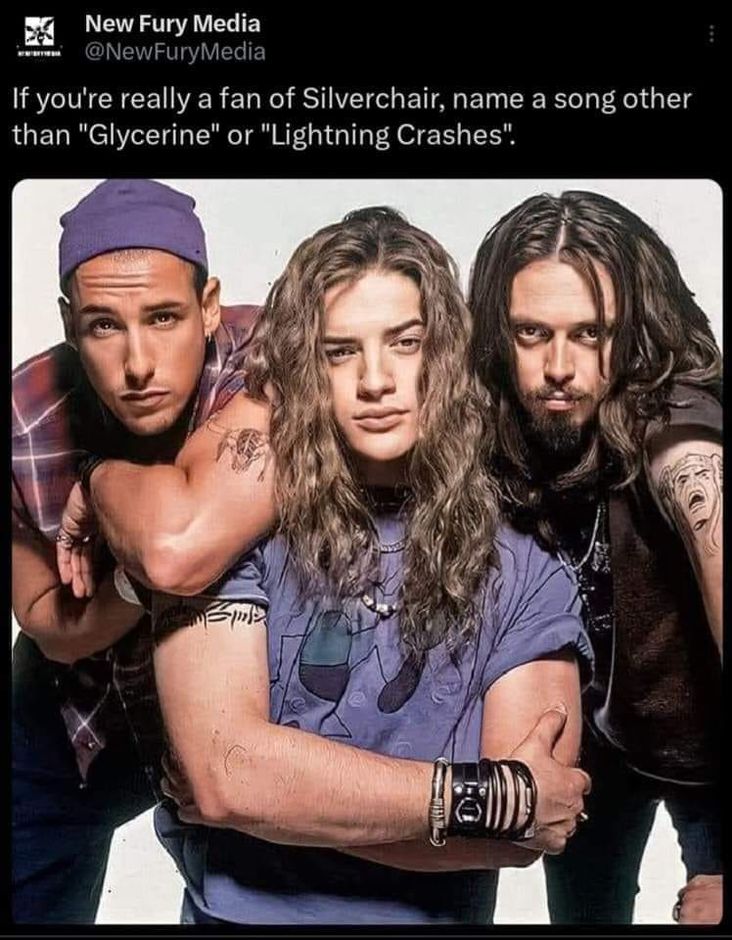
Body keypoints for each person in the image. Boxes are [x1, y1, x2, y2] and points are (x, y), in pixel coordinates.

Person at [151, 206, 594, 926]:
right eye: (340, 351)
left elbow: (526, 830)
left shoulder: (527, 566)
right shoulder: (237, 536)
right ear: (304, 367)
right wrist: (470, 801)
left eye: (404, 342)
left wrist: (273, 805)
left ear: (443, 355)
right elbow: (225, 776)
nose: (376, 379)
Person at [11, 178, 275, 924]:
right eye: (103, 326)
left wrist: (102, 493)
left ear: (210, 304)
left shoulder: (278, 358)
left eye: (163, 317)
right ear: (69, 323)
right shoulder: (23, 418)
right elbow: (48, 622)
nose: (138, 363)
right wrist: (131, 583)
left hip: (248, 701)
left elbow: (179, 547)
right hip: (82, 716)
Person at [468, 190, 722, 925]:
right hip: (588, 748)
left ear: (635, 330)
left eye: (590, 333)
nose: (557, 366)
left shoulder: (678, 423)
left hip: (705, 750)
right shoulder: (489, 422)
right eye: (529, 332)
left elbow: (697, 477)